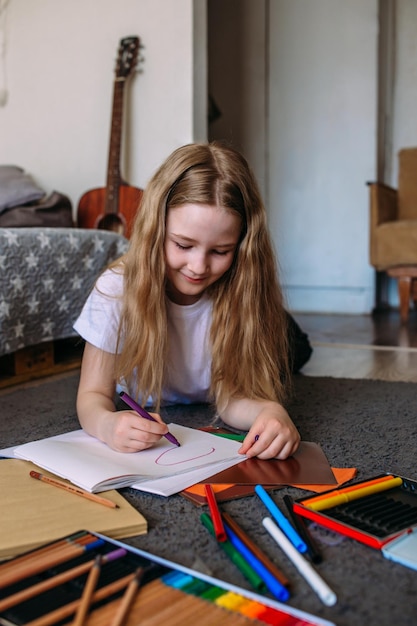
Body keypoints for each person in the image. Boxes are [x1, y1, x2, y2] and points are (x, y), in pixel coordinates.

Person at [74, 142, 312, 461]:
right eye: (183, 245)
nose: (199, 267)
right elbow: (92, 396)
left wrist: (271, 410)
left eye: (220, 251)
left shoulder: (243, 284)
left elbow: (232, 399)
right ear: (155, 231)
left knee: (297, 350)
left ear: (241, 248)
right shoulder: (117, 287)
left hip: (244, 308)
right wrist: (106, 424)